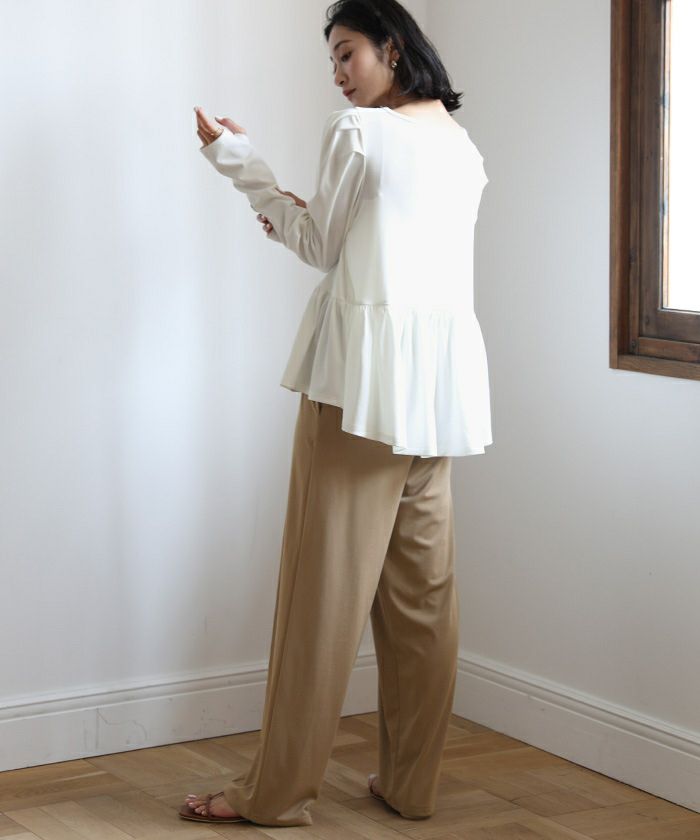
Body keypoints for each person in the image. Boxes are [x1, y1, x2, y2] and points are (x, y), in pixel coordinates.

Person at [180, 0, 491, 828]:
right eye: (332, 61)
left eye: (348, 53)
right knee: (424, 603)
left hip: (358, 391)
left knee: (319, 599)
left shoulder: (361, 133)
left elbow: (320, 246)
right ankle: (411, 785)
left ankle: (275, 794)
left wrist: (240, 163)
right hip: (436, 395)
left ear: (393, 48)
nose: (339, 74)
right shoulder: (462, 146)